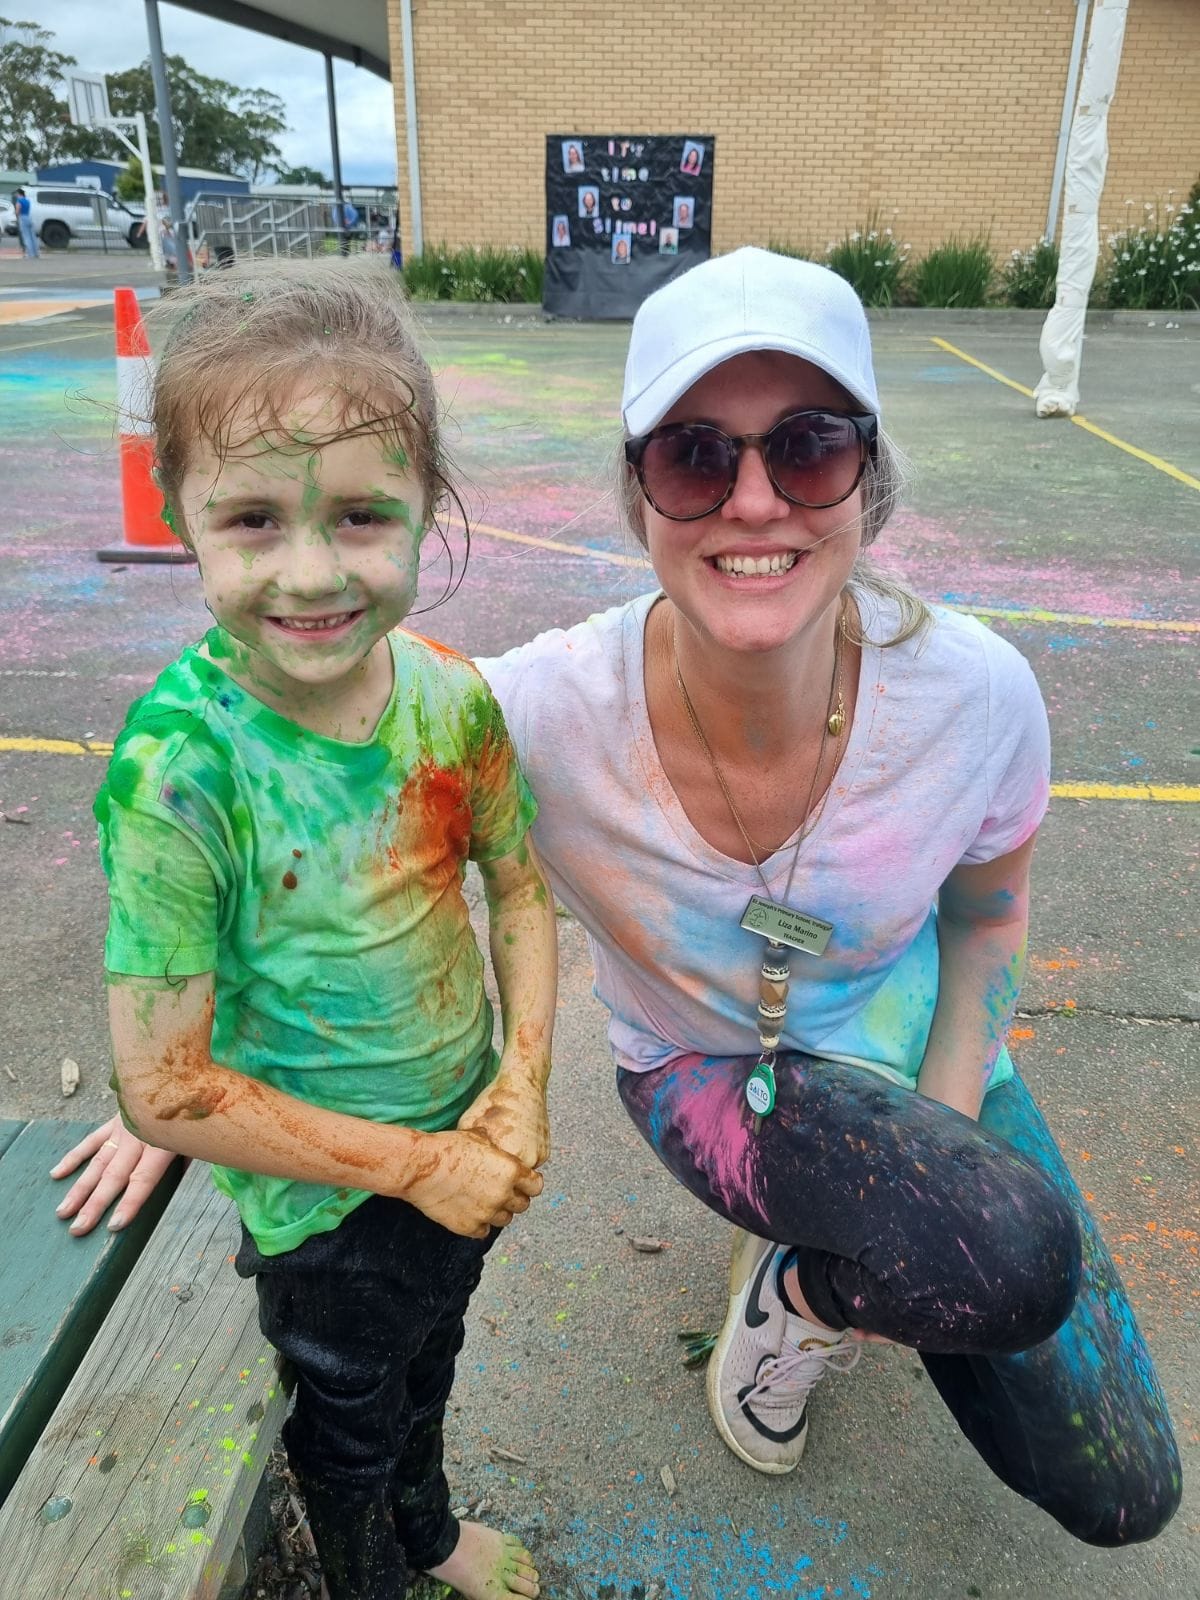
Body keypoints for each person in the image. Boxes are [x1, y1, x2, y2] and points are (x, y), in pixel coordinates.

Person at [60, 248, 1180, 1550]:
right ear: (638, 492)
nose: (753, 502)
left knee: (1118, 1484)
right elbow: (309, 761)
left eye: (809, 449)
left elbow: (987, 922)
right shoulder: (528, 709)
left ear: (869, 479)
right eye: (698, 456)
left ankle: (855, 1248)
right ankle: (798, 1299)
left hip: (909, 1042)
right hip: (710, 1073)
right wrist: (177, 1091)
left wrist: (944, 1135)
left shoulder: (975, 695)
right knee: (982, 1250)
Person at [71, 258, 554, 1600]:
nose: (309, 573)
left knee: (435, 1349)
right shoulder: (180, 773)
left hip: (464, 1141)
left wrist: (517, 1093)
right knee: (344, 1414)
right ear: (182, 518)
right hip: (324, 1204)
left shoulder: (451, 701)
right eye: (251, 521)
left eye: (357, 516)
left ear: (423, 506)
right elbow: (162, 1087)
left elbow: (519, 891)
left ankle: (428, 1524)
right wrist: (419, 1168)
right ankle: (370, 1571)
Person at [13, 188, 38, 258]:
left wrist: (16, 215)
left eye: (16, 194)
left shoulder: (19, 201)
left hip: (22, 218)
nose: (16, 195)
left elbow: (17, 211)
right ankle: (36, 253)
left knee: (26, 237)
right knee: (32, 236)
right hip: (28, 217)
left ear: (19, 194)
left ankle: (30, 254)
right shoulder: (27, 201)